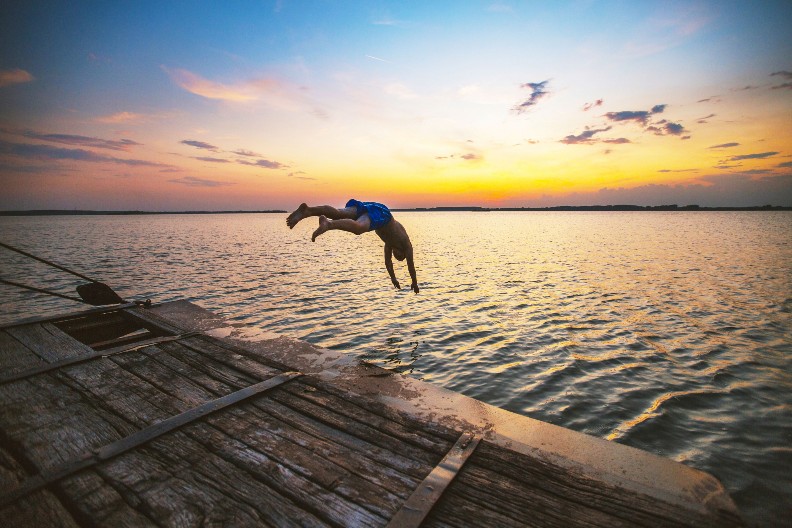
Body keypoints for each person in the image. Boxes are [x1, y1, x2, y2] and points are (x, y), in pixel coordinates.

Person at [287, 199, 419, 293]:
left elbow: (387, 262)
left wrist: (393, 278)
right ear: (402, 253)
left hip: (376, 208)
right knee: (359, 228)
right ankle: (328, 224)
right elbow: (410, 265)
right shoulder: (406, 244)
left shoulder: (389, 244)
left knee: (339, 213)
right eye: (399, 257)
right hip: (382, 215)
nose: (396, 256)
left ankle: (307, 211)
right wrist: (414, 282)